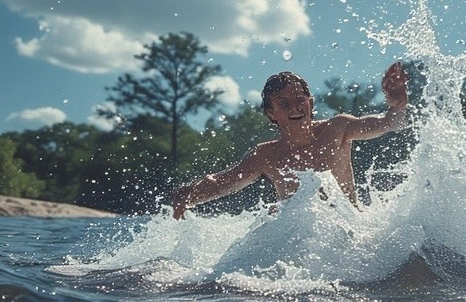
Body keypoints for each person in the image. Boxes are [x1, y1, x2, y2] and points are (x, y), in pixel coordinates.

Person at [172, 62, 410, 219]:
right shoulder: (266, 155)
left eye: (300, 99)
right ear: (271, 113)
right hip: (301, 245)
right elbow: (225, 181)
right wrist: (191, 194)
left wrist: (398, 105)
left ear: (311, 102)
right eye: (284, 104)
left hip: (350, 235)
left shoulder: (338, 129)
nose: (295, 107)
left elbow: (388, 124)